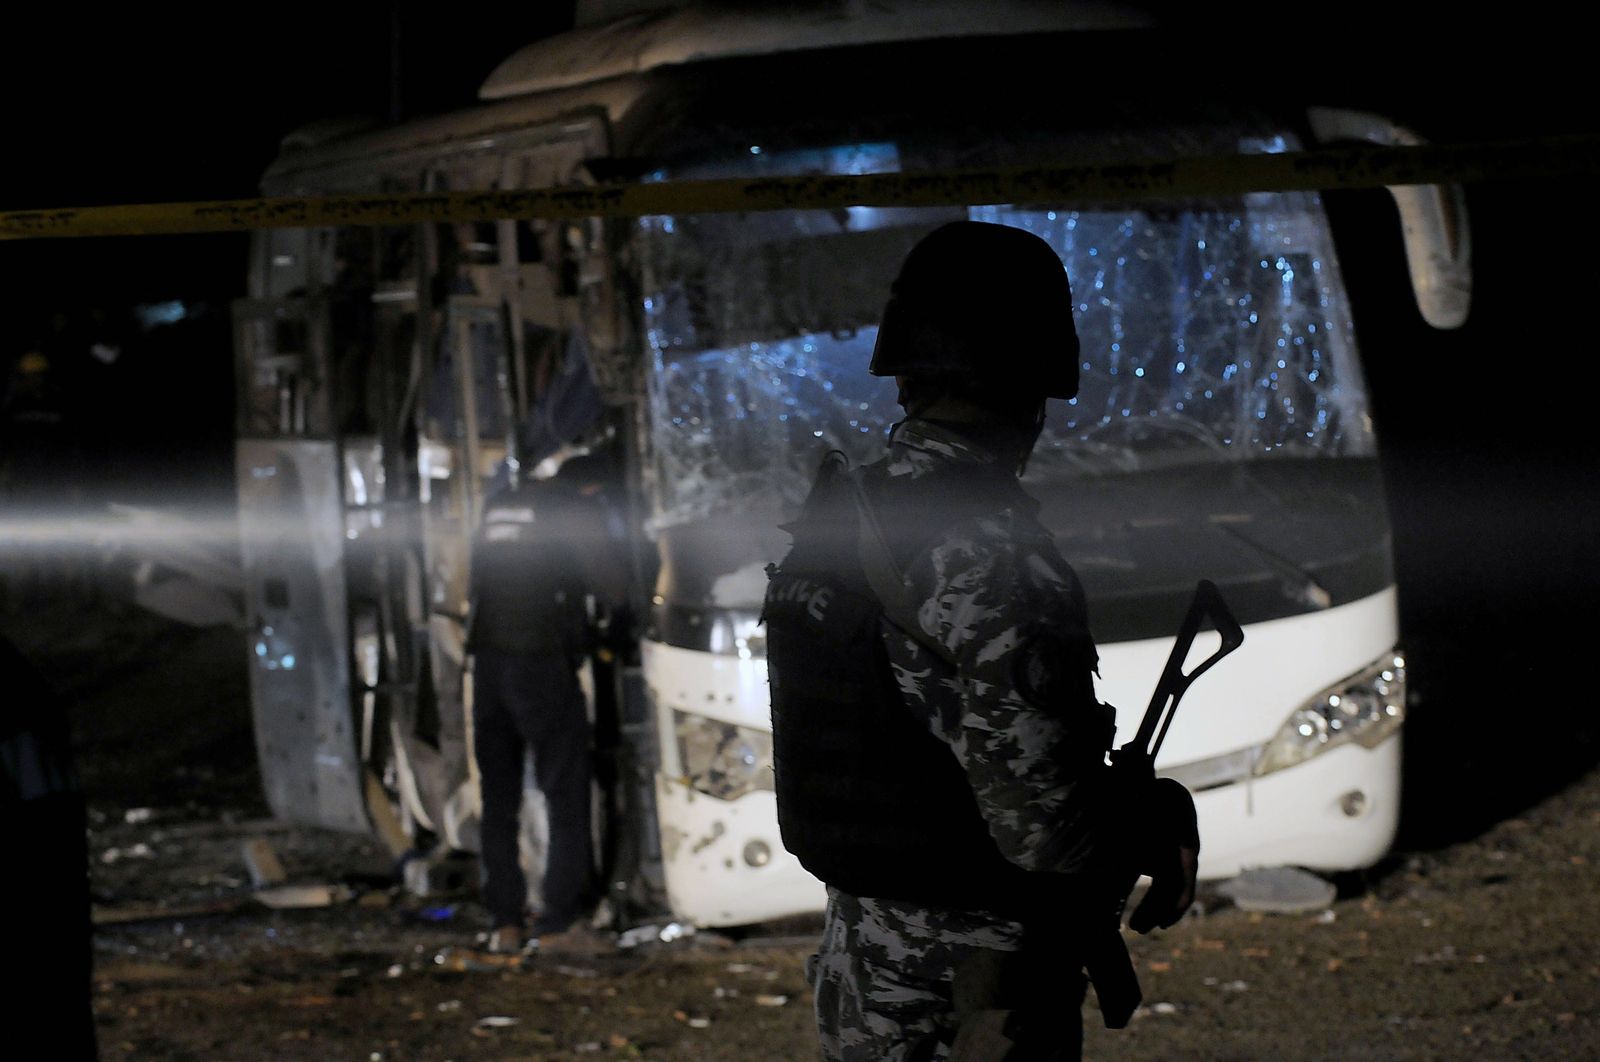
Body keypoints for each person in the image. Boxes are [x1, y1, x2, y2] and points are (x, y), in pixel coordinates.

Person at [762, 221, 1201, 1060]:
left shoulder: (843, 515)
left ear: (906, 377)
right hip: (972, 988)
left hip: (863, 965)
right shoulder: (994, 556)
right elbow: (1043, 830)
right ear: (1033, 384)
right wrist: (1153, 816)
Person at [466, 445, 623, 957]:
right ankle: (558, 921)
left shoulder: (504, 502)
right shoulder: (575, 508)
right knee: (566, 791)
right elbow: (612, 583)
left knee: (499, 800)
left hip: (488, 663)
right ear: (594, 488)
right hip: (539, 663)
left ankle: (505, 921)